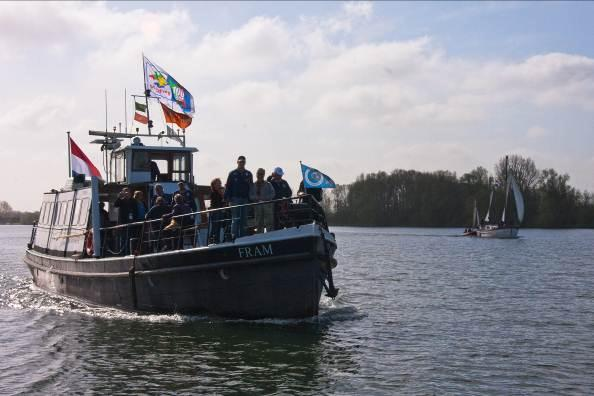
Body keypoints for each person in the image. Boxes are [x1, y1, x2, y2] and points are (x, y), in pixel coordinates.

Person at [224, 155, 253, 238]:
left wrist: (251, 199)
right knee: (235, 219)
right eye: (240, 162)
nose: (241, 163)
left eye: (243, 162)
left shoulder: (249, 174)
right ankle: (234, 237)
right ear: (237, 162)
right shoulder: (232, 173)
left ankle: (243, 237)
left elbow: (251, 187)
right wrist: (227, 198)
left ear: (245, 162)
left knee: (244, 219)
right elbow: (228, 186)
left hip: (245, 199)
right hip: (235, 199)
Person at [249, 168, 275, 233]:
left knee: (269, 222)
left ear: (264, 175)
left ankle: (270, 236)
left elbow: (273, 194)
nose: (260, 175)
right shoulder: (253, 185)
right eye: (258, 173)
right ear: (256, 174)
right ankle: (260, 237)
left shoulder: (268, 184)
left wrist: (265, 198)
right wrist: (257, 198)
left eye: (261, 174)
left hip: (267, 206)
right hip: (257, 206)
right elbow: (250, 195)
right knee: (258, 223)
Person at [208, 178, 226, 244]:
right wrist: (221, 194)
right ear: (214, 185)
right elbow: (215, 203)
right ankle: (212, 240)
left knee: (219, 226)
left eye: (220, 183)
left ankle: (217, 241)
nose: (220, 185)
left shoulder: (220, 192)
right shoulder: (213, 193)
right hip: (215, 212)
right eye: (218, 183)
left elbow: (223, 201)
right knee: (215, 227)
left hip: (220, 211)